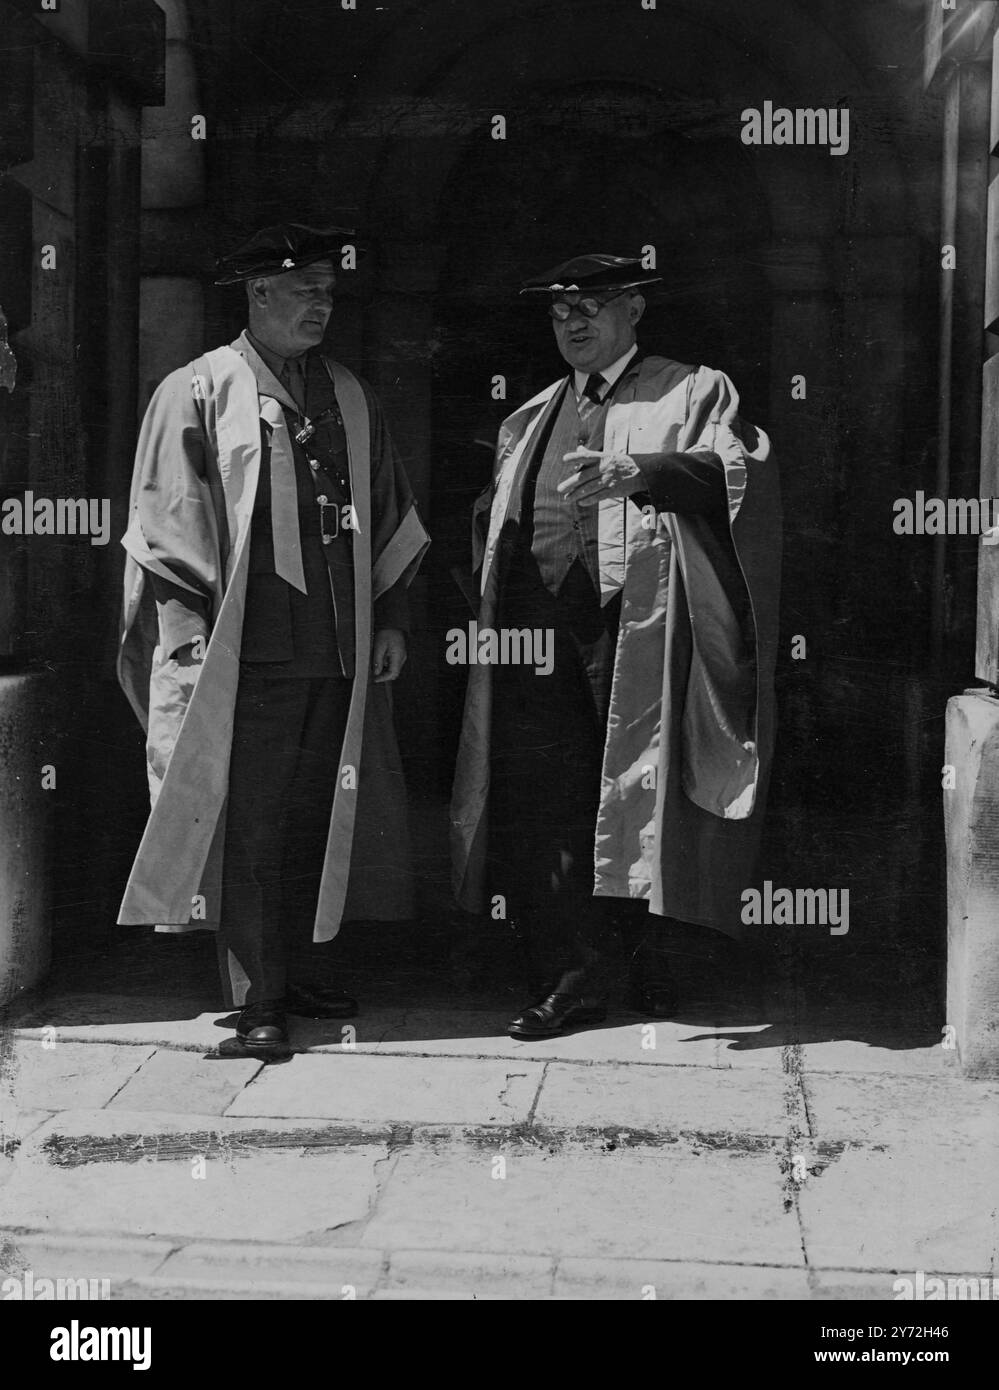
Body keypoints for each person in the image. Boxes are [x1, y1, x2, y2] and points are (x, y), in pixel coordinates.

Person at [117, 223, 429, 1057]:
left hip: (338, 647)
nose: (322, 304)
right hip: (246, 651)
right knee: (252, 826)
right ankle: (258, 1000)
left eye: (329, 291)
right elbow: (164, 525)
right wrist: (185, 641)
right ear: (258, 294)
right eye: (304, 290)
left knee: (318, 818)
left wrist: (393, 616)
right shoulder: (198, 390)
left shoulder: (349, 395)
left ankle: (299, 971)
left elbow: (390, 513)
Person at [451, 253, 780, 1039]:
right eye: (560, 310)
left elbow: (739, 473)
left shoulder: (692, 389)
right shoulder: (530, 415)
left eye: (592, 306)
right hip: (542, 637)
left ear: (632, 308)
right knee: (552, 803)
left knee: (644, 795)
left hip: (639, 627)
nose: (573, 321)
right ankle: (573, 977)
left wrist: (647, 471)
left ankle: (649, 964)